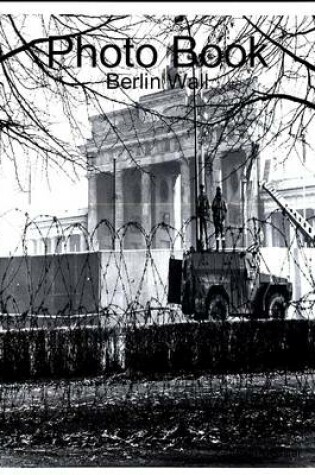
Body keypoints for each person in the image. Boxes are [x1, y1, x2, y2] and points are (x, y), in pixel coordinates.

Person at [212, 186, 227, 252]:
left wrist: (224, 217)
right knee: (217, 233)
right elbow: (213, 208)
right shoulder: (215, 200)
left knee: (223, 233)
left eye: (219, 190)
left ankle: (223, 247)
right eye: (218, 190)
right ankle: (218, 247)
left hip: (222, 218)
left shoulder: (223, 200)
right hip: (217, 218)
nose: (219, 192)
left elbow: (226, 209)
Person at [196, 184, 210, 250]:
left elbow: (208, 206)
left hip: (204, 215)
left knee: (205, 230)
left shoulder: (205, 197)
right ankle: (202, 244)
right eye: (201, 188)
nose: (201, 190)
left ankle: (207, 244)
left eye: (202, 188)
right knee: (201, 230)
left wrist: (208, 214)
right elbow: (198, 206)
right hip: (202, 215)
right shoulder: (199, 197)